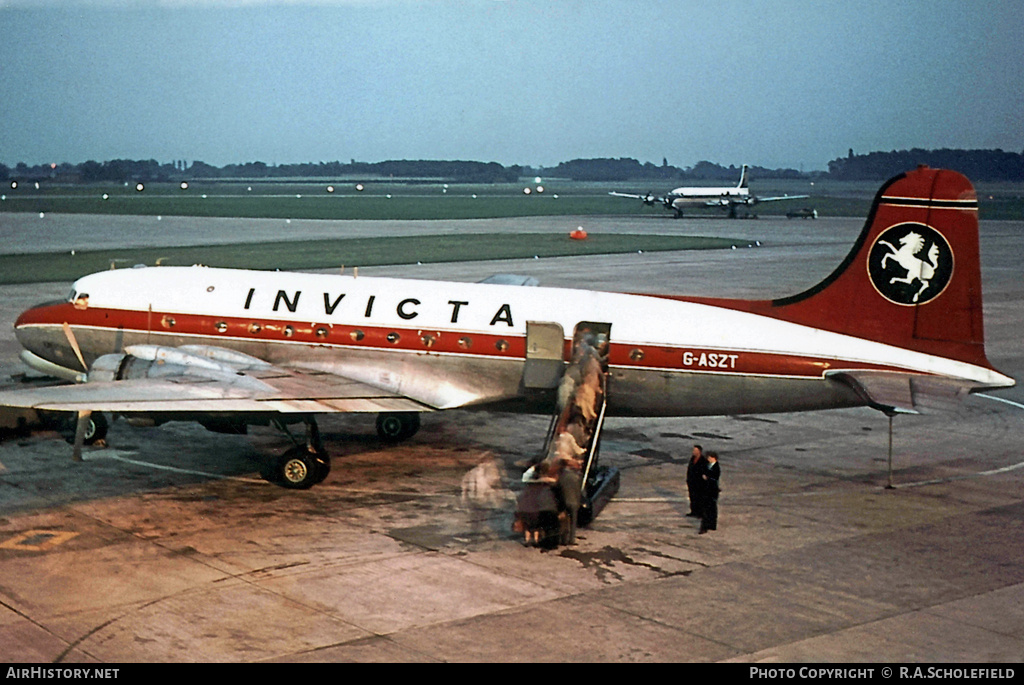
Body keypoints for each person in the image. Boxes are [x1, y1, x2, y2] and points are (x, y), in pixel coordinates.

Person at [699, 451, 721, 534]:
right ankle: (711, 525)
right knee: (711, 508)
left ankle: (705, 526)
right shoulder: (709, 465)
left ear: (713, 458)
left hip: (711, 491)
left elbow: (714, 477)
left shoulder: (716, 467)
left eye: (709, 457)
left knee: (708, 509)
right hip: (708, 490)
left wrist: (707, 477)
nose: (708, 459)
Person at [686, 444, 705, 517]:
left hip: (699, 483)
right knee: (692, 497)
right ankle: (693, 511)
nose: (693, 452)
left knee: (699, 498)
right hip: (691, 482)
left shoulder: (703, 460)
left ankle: (700, 513)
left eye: (695, 450)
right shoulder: (692, 458)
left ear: (699, 451)